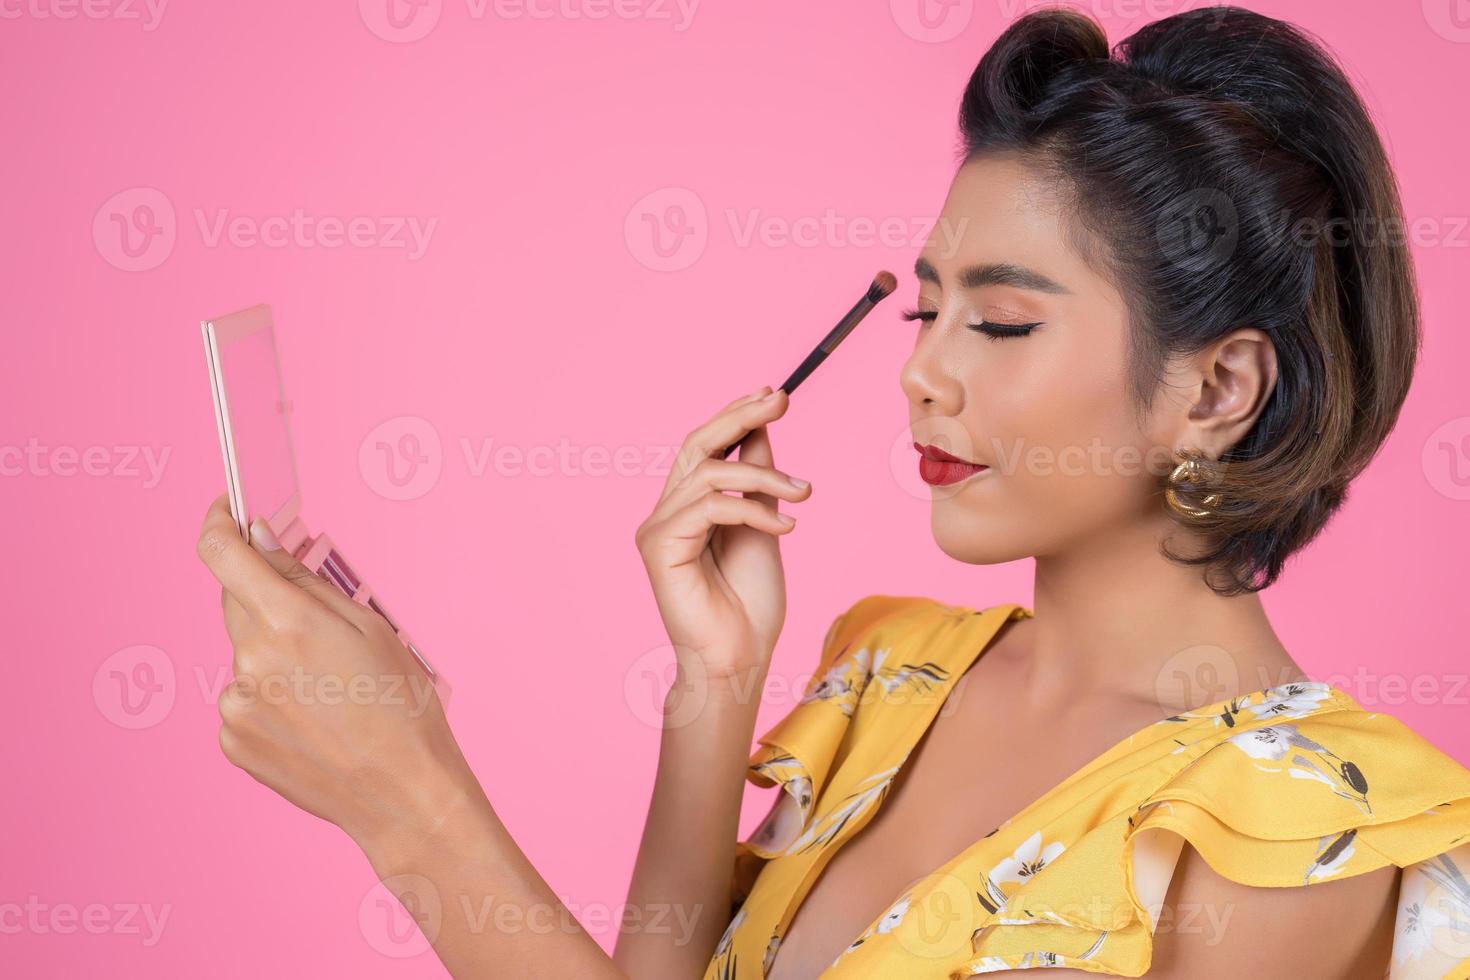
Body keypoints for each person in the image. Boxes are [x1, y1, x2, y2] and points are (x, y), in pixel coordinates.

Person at [195, 6, 1470, 977]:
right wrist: (715, 683)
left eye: (1005, 323)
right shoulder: (885, 676)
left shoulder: (1294, 832)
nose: (921, 373)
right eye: (926, 310)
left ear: (1216, 389)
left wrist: (415, 808)